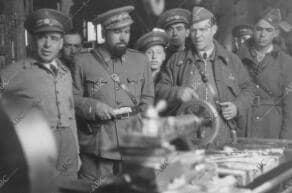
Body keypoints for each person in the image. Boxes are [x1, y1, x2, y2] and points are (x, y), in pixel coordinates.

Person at [73, 6, 154, 188]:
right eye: (117, 32)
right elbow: (71, 98)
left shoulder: (141, 61)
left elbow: (148, 97)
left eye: (126, 31)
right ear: (104, 32)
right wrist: (93, 107)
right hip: (98, 145)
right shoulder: (83, 61)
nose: (123, 37)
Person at [0, 9, 79, 181]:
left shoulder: (66, 73)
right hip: (37, 148)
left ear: (61, 43)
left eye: (54, 38)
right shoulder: (16, 71)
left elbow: (71, 116)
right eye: (42, 37)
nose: (48, 45)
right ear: (33, 41)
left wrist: (76, 151)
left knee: (70, 188)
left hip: (68, 148)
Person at [155, 6, 254, 147]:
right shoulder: (176, 61)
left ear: (214, 30)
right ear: (189, 32)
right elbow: (159, 89)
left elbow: (248, 89)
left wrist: (236, 107)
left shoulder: (231, 60)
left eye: (203, 30)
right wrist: (177, 92)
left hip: (222, 137)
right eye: (194, 30)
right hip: (187, 139)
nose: (198, 35)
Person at [237, 8, 292, 139]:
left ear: (276, 33)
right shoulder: (238, 58)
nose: (263, 34)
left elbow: (290, 106)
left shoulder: (286, 62)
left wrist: (286, 140)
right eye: (259, 29)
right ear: (253, 30)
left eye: (268, 30)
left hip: (272, 127)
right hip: (244, 123)